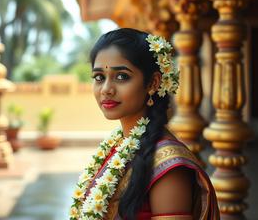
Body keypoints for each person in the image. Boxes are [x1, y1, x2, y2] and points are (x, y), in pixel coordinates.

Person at [70, 28, 219, 220]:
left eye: (122, 76)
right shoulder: (118, 147)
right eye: (99, 77)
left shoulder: (169, 167)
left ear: (153, 83)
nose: (106, 89)